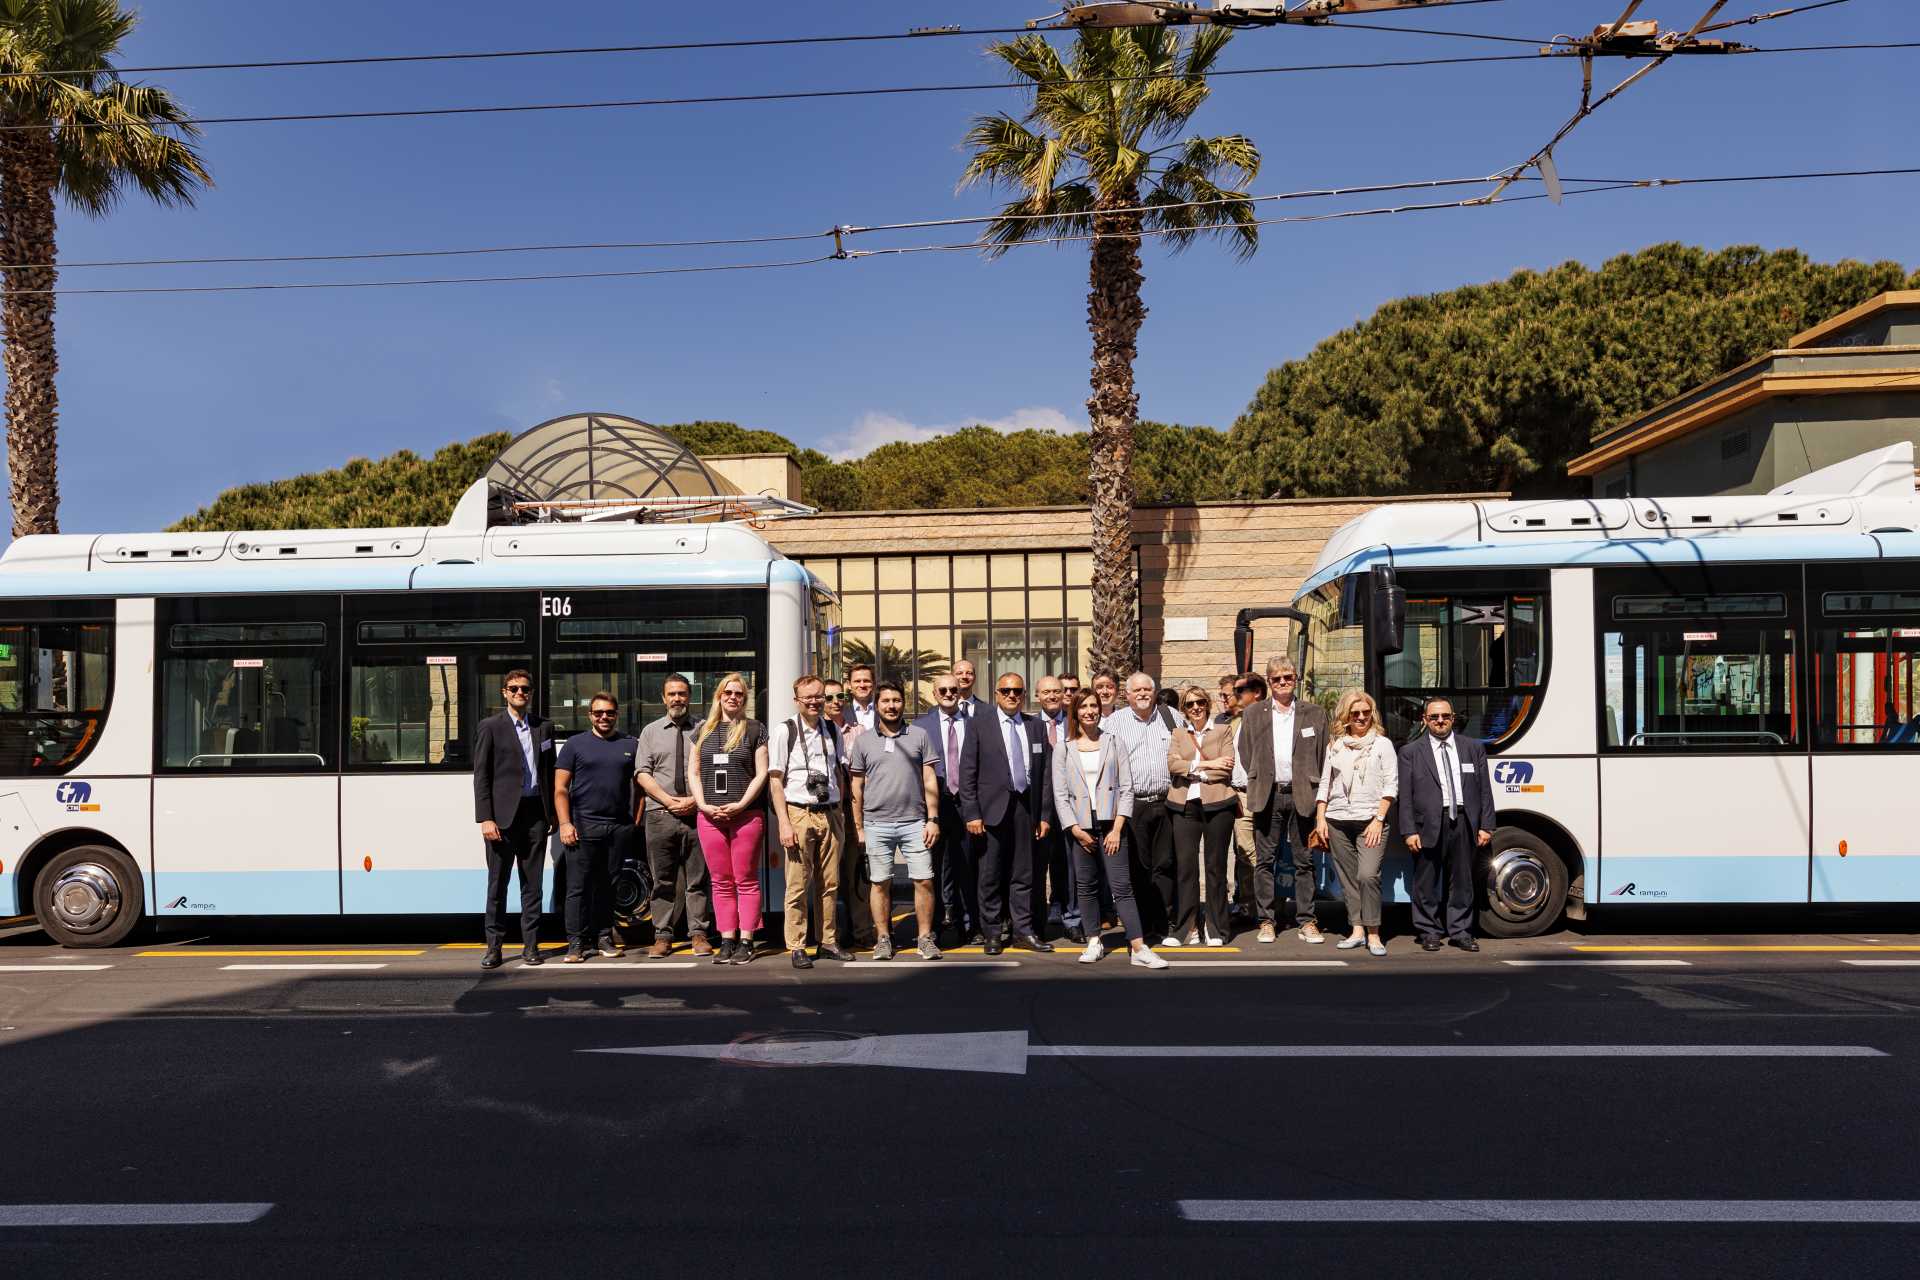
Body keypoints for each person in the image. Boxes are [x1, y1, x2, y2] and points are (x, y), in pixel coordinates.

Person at [1052, 689, 1167, 969]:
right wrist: (1075, 829)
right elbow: (1060, 794)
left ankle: (1138, 946)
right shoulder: (1064, 747)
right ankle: (1094, 940)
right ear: (1075, 711)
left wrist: (1117, 828)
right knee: (1086, 887)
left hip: (1111, 824)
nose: (1090, 711)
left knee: (1122, 887)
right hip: (1080, 826)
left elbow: (1127, 788)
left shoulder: (1114, 742)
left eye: (1093, 705)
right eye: (1084, 706)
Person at [958, 671, 1054, 955]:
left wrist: (1044, 815)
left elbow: (1045, 774)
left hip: (1026, 809)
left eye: (1017, 691)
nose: (1012, 696)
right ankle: (992, 933)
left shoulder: (1035, 726)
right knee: (990, 875)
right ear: (997, 694)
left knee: (1023, 875)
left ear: (1024, 695)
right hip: (991, 812)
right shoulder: (979, 725)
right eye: (1006, 691)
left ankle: (1023, 931)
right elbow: (967, 773)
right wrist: (972, 813)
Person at [848, 681, 943, 960]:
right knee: (879, 883)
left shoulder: (920, 735)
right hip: (876, 823)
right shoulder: (864, 740)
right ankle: (883, 939)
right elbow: (857, 787)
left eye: (897, 700)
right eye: (886, 701)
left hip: (915, 822)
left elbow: (929, 779)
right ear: (876, 706)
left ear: (904, 703)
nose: (891, 706)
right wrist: (859, 827)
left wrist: (933, 819)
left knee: (924, 880)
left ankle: (925, 938)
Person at [1240, 657, 1329, 945]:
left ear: (1296, 678)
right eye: (1276, 678)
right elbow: (1245, 752)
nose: (1282, 683)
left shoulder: (1314, 713)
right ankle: (1266, 921)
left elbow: (1323, 754)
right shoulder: (1253, 714)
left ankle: (1307, 920)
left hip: (1303, 794)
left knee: (1305, 861)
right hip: (1268, 795)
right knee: (1265, 861)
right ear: (1269, 681)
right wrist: (1260, 777)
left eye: (1287, 677)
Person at [473, 670, 556, 970]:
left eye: (525, 689)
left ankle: (531, 946)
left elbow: (549, 772)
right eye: (514, 689)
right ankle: (494, 948)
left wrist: (553, 815)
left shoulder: (544, 727)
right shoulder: (490, 727)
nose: (520, 693)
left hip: (535, 814)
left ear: (531, 692)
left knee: (532, 885)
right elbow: (481, 775)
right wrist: (485, 818)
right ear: (504, 693)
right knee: (498, 885)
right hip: (502, 818)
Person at [769, 675, 853, 969]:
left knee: (830, 882)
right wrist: (784, 823)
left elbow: (840, 772)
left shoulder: (833, 729)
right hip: (798, 811)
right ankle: (797, 944)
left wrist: (841, 811)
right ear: (797, 700)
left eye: (821, 697)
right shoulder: (785, 731)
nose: (817, 702)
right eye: (810, 698)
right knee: (798, 883)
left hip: (830, 811)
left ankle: (828, 941)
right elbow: (775, 781)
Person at [1397, 696, 1493, 953]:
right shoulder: (1410, 752)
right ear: (1424, 720)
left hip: (1464, 821)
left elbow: (1485, 790)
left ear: (1453, 718)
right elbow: (1404, 796)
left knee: (1463, 881)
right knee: (1425, 882)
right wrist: (1408, 830)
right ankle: (1429, 931)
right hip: (1428, 823)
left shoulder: (1473, 748)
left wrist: (1486, 825)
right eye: (1434, 717)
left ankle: (1460, 932)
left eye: (1445, 716)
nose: (1440, 721)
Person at [689, 672, 772, 964]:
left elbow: (762, 772)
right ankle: (727, 938)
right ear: (719, 696)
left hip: (746, 816)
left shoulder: (755, 729)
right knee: (720, 881)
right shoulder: (702, 730)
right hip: (709, 816)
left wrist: (740, 804)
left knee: (745, 880)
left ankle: (746, 940)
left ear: (744, 699)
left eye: (738, 693)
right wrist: (702, 804)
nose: (733, 697)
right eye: (728, 692)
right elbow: (694, 772)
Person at [634, 674, 714, 958]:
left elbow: (711, 771)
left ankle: (698, 934)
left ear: (689, 696)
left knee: (698, 879)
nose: (677, 698)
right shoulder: (651, 732)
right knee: (662, 880)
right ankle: (663, 936)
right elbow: (642, 774)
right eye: (672, 694)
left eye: (682, 693)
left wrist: (695, 801)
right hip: (659, 815)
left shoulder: (705, 729)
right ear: (663, 698)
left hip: (696, 813)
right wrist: (669, 801)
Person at [1314, 690, 1398, 957]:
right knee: (1349, 879)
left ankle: (1374, 933)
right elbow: (1325, 783)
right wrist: (1321, 818)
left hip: (1371, 820)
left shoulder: (1382, 744)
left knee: (1367, 875)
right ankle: (1357, 930)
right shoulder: (1335, 745)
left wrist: (1379, 819)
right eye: (1355, 713)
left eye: (1366, 713)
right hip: (1337, 820)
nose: (1362, 717)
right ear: (1346, 716)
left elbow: (1390, 785)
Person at [554, 691, 637, 963]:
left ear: (616, 714)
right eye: (598, 712)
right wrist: (565, 823)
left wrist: (635, 821)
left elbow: (641, 786)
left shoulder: (629, 744)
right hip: (582, 828)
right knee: (577, 887)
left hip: (617, 829)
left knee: (609, 886)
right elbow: (560, 789)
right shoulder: (574, 745)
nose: (604, 717)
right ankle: (576, 943)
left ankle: (603, 937)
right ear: (590, 715)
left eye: (610, 713)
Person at [1102, 672, 1177, 945]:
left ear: (1155, 692)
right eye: (1138, 690)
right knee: (1138, 867)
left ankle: (1165, 922)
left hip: (1166, 801)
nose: (1143, 694)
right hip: (1132, 806)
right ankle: (1142, 924)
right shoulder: (1114, 723)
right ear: (1128, 695)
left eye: (1148, 689)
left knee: (1166, 864)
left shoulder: (1172, 718)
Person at [914, 678, 980, 946]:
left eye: (954, 690)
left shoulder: (975, 724)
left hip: (967, 804)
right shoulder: (920, 726)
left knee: (968, 867)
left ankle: (969, 925)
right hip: (935, 805)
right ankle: (937, 926)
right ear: (935, 694)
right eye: (944, 690)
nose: (950, 694)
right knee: (935, 868)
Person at [1167, 686, 1234, 947]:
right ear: (1183, 709)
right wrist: (1207, 764)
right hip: (1184, 806)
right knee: (1186, 868)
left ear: (1207, 704)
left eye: (1200, 703)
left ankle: (1216, 928)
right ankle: (1187, 928)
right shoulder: (1178, 733)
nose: (1195, 708)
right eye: (1189, 704)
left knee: (1215, 868)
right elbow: (1172, 765)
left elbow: (1227, 765)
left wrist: (1193, 770)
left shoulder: (1222, 730)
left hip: (1217, 804)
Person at [1032, 673, 1082, 942]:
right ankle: (1038, 920)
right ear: (1037, 696)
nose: (1052, 696)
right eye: (1046, 692)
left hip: (1071, 805)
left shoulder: (1075, 725)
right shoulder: (1028, 726)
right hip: (1039, 807)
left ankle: (1071, 918)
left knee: (1069, 866)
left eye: (1056, 691)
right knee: (1037, 866)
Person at [1221, 674, 1258, 925]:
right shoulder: (1231, 724)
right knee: (1244, 851)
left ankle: (1260, 903)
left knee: (1256, 852)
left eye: (1232, 693)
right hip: (1238, 793)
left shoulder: (1263, 719)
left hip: (1262, 792)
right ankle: (1248, 904)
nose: (1227, 698)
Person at [845, 663, 878, 732]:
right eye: (857, 681)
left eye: (866, 681)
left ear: (874, 684)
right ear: (849, 685)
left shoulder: (884, 711)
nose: (862, 685)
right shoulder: (841, 714)